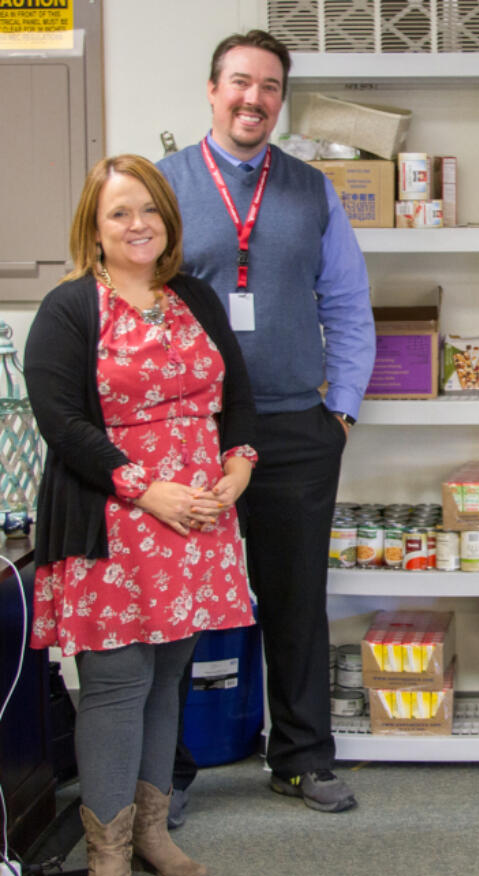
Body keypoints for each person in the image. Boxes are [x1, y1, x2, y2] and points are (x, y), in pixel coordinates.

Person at [24, 154, 258, 876]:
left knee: (167, 679)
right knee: (117, 683)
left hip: (198, 520)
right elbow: (60, 423)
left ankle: (155, 831)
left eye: (150, 209)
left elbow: (238, 395)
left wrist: (238, 467)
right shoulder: (69, 309)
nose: (138, 224)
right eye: (120, 212)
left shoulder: (191, 296)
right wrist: (147, 490)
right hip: (115, 515)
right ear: (94, 228)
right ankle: (107, 855)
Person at [158, 29, 375, 816]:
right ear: (213, 90)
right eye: (241, 83)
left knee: (293, 599)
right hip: (191, 434)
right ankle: (167, 775)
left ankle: (300, 759)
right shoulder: (165, 184)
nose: (254, 99)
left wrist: (341, 410)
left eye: (270, 88)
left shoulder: (311, 190)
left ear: (281, 100)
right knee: (180, 607)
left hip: (292, 428)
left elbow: (350, 306)